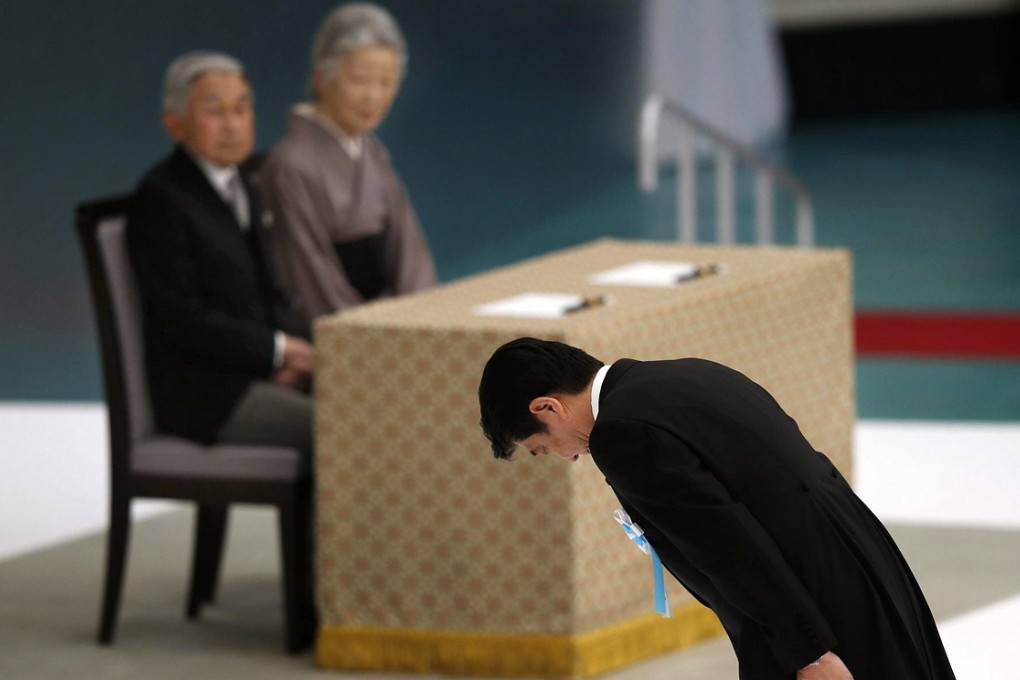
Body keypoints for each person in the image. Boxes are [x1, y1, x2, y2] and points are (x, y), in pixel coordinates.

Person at [478, 338, 957, 680]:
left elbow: (728, 548)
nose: (566, 456)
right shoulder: (688, 371)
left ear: (548, 408)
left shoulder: (621, 434)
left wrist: (809, 653)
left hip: (809, 604)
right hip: (856, 554)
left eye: (542, 448)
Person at [127, 51, 313, 461]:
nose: (232, 123)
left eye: (242, 108)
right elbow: (183, 321)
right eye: (215, 110)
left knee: (376, 406)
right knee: (343, 430)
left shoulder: (246, 180)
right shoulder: (162, 199)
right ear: (174, 123)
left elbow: (271, 289)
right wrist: (278, 352)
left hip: (256, 372)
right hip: (205, 393)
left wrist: (286, 360)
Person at [260, 2, 437, 336]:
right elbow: (308, 276)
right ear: (322, 78)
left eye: (386, 83)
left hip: (394, 323)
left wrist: (418, 314)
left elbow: (409, 249)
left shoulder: (371, 152)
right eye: (359, 80)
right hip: (336, 335)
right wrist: (368, 333)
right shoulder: (290, 165)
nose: (373, 96)